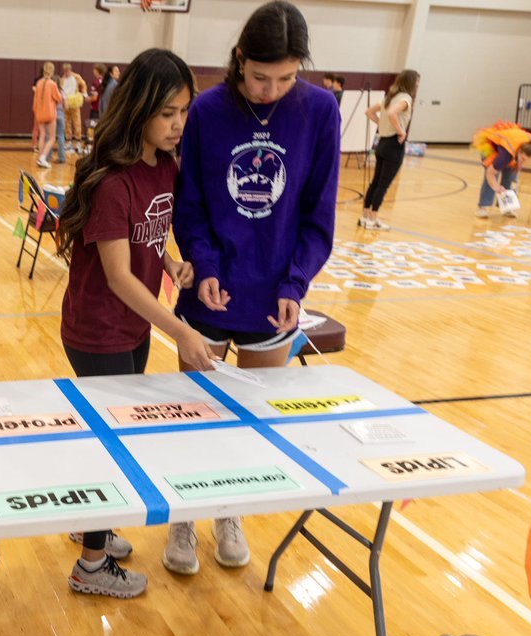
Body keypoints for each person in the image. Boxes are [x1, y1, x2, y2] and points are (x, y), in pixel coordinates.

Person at [168, 0, 340, 575]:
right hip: (210, 292)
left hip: (275, 300)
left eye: (286, 78)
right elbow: (189, 205)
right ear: (240, 59)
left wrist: (296, 280)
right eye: (260, 77)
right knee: (195, 415)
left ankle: (229, 510)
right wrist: (206, 265)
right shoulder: (209, 111)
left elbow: (319, 216)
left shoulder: (320, 111)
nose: (271, 90)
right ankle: (184, 517)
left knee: (250, 419)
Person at [55, 48, 213, 599]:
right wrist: (184, 332)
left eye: (184, 112)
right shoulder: (112, 182)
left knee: (109, 434)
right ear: (141, 107)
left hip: (134, 327)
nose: (178, 125)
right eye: (168, 112)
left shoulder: (164, 165)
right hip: (97, 330)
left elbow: (151, 232)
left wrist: (169, 260)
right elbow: (119, 278)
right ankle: (91, 566)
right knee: (113, 444)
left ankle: (87, 520)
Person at [360, 69, 420, 231]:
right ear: (411, 83)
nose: (418, 85)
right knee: (383, 184)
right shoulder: (405, 98)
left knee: (376, 182)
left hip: (382, 144)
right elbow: (393, 113)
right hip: (393, 145)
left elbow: (369, 112)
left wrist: (383, 124)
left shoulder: (389, 97)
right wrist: (401, 131)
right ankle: (373, 219)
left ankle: (365, 217)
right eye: (417, 82)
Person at [472, 121, 531, 219]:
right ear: (520, 151)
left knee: (511, 178)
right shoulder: (505, 155)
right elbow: (490, 174)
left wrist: (519, 164)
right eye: (523, 158)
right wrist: (496, 187)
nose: (524, 161)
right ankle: (483, 207)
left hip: (511, 144)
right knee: (492, 179)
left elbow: (520, 160)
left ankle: (506, 207)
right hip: (493, 147)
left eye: (526, 160)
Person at [33, 61, 62, 168]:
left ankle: (40, 158)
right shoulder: (52, 84)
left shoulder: (38, 83)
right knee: (52, 138)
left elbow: (35, 100)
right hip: (49, 113)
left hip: (39, 113)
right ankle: (43, 158)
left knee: (42, 136)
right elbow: (59, 98)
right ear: (52, 71)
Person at [61, 62, 88, 154]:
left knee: (76, 122)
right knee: (66, 122)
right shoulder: (62, 79)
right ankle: (68, 141)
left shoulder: (76, 77)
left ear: (70, 70)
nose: (66, 73)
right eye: (65, 71)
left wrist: (84, 93)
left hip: (75, 102)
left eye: (68, 71)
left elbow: (83, 85)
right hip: (66, 102)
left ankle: (77, 141)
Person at [86, 63, 106, 153]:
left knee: (92, 129)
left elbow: (94, 98)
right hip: (103, 110)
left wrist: (86, 99)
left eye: (94, 69)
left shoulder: (96, 82)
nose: (93, 71)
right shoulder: (106, 81)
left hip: (95, 109)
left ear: (98, 71)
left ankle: (92, 149)